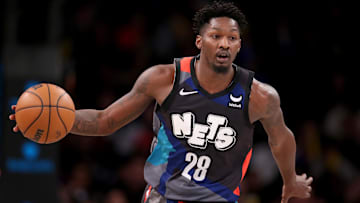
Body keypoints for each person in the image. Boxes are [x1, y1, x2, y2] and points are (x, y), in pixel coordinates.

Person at [10, 1, 312, 202]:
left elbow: (280, 139)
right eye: (216, 36)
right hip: (162, 196)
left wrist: (290, 180)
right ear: (199, 41)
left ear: (238, 45)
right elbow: (105, 121)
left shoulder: (259, 95)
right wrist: (60, 121)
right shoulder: (163, 79)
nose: (224, 43)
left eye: (232, 38)